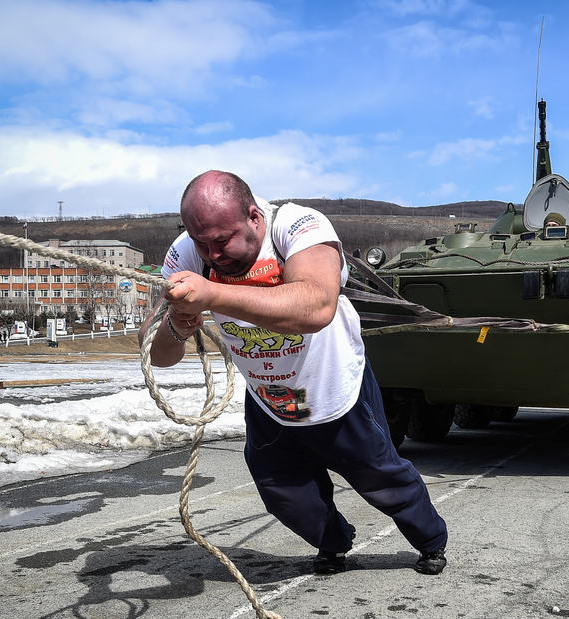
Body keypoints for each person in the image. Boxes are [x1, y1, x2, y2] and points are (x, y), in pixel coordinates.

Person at [140, 170, 448, 575]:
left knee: (381, 479)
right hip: (270, 401)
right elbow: (155, 355)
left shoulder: (299, 226)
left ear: (253, 216)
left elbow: (316, 307)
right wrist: (177, 326)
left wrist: (212, 294)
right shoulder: (186, 255)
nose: (212, 255)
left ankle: (430, 542)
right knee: (284, 492)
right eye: (202, 242)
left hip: (336, 389)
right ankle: (333, 544)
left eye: (221, 241)